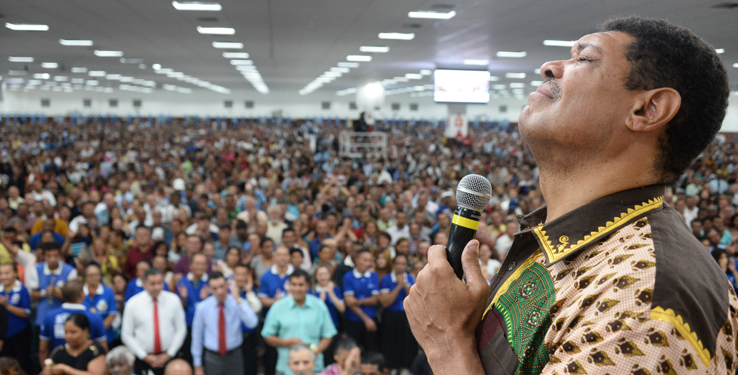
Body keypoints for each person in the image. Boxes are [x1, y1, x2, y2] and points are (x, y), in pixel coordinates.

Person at [403, 15, 738, 375]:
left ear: (647, 109)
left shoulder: (641, 300)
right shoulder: (564, 239)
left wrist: (447, 344)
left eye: (584, 59)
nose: (549, 67)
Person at [262, 269, 337, 375]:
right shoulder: (278, 307)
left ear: (308, 285)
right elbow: (267, 334)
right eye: (294, 284)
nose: (297, 288)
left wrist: (312, 353)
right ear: (289, 285)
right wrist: (285, 343)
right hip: (286, 368)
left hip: (314, 368)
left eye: (301, 285)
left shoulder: (319, 306)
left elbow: (328, 334)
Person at [191, 271, 259, 375]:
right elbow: (197, 336)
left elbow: (252, 323)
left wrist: (238, 300)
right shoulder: (203, 307)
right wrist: (197, 365)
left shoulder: (237, 302)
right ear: (209, 289)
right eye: (215, 288)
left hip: (234, 355)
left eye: (222, 286)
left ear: (227, 284)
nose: (220, 291)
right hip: (212, 356)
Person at [121, 268, 187, 375]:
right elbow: (126, 335)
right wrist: (144, 356)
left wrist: (170, 353)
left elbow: (181, 329)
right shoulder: (132, 304)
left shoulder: (173, 300)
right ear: (144, 283)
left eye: (159, 283)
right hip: (143, 358)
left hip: (168, 356)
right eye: (152, 284)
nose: (157, 287)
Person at [40, 281, 108, 365]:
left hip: (57, 367)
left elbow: (43, 349)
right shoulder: (94, 317)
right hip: (87, 368)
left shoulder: (49, 316)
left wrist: (47, 368)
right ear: (82, 295)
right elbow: (103, 348)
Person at [377, 254, 417, 372]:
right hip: (391, 316)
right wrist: (399, 286)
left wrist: (405, 285)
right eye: (398, 263)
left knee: (408, 344)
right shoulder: (386, 279)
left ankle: (406, 369)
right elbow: (385, 302)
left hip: (407, 316)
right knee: (391, 343)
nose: (400, 266)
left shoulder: (410, 278)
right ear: (394, 265)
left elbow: (414, 298)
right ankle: (392, 368)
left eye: (403, 264)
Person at [175, 252, 210, 365]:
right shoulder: (182, 283)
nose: (200, 267)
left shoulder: (211, 282)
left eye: (203, 264)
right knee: (188, 358)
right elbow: (178, 309)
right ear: (190, 265)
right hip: (188, 326)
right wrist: (183, 298)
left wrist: (206, 300)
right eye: (197, 263)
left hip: (207, 327)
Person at [33, 242, 78, 327]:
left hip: (65, 319)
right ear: (43, 256)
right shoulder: (36, 269)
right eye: (49, 256)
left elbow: (74, 298)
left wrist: (56, 294)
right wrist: (44, 293)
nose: (52, 259)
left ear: (60, 256)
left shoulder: (71, 271)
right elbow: (32, 294)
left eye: (56, 256)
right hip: (42, 318)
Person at [342, 249, 379, 352]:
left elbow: (375, 299)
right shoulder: (348, 276)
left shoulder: (374, 276)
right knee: (353, 350)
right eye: (365, 260)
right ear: (357, 260)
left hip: (372, 318)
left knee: (371, 350)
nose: (368, 263)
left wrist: (357, 301)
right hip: (354, 320)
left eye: (370, 260)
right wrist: (366, 319)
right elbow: (349, 301)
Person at [0, 263, 32, 374]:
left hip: (20, 332)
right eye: (1, 273)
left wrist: (7, 306)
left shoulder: (22, 290)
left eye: (7, 273)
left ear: (15, 273)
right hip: (3, 335)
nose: (3, 276)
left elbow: (26, 313)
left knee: (22, 362)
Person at [232, 263, 262, 375]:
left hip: (249, 338)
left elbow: (256, 309)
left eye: (243, 275)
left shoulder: (251, 291)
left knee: (249, 369)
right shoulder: (226, 291)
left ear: (248, 277)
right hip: (233, 338)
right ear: (233, 276)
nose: (240, 278)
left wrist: (249, 291)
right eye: (238, 274)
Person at [82, 263, 118, 345]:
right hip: (84, 339)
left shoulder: (108, 292)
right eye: (91, 275)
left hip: (106, 336)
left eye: (97, 275)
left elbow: (112, 313)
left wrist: (99, 330)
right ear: (85, 277)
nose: (94, 278)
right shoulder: (80, 292)